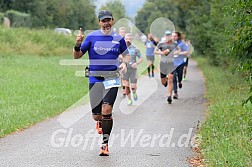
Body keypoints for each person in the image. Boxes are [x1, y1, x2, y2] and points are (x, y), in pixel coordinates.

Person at [73, 10, 130, 156]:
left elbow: (126, 55)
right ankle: (100, 122)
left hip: (112, 78)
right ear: (99, 22)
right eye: (103, 20)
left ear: (112, 20)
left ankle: (105, 144)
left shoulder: (118, 38)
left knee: (107, 110)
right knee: (96, 116)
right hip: (95, 79)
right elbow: (77, 56)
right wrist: (77, 45)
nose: (106, 23)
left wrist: (124, 64)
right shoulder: (92, 37)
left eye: (108, 20)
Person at [154, 30, 178, 104]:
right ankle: (165, 81)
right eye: (166, 36)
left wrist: (176, 52)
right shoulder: (161, 44)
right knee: (163, 82)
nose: (168, 37)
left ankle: (169, 96)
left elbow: (178, 50)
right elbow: (155, 51)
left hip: (171, 63)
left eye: (169, 36)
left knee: (171, 79)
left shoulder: (174, 44)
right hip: (163, 64)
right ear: (165, 36)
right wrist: (162, 52)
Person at [123, 33, 143, 105]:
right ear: (124, 39)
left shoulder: (135, 49)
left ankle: (134, 92)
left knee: (133, 87)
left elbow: (141, 58)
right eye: (127, 39)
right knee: (126, 85)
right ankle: (129, 99)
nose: (128, 40)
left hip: (133, 69)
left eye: (130, 39)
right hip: (125, 69)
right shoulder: (121, 48)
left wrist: (136, 63)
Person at [172, 32, 189, 99]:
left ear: (178, 37)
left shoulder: (181, 44)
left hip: (180, 63)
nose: (174, 37)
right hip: (172, 64)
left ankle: (180, 81)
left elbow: (187, 52)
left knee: (179, 75)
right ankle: (175, 92)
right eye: (173, 36)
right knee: (173, 77)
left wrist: (179, 53)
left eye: (175, 36)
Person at [119, 27, 127, 97]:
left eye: (123, 32)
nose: (122, 33)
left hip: (126, 59)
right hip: (119, 59)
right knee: (121, 75)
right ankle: (123, 88)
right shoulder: (117, 40)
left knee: (125, 74)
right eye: (121, 32)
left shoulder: (126, 40)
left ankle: (125, 88)